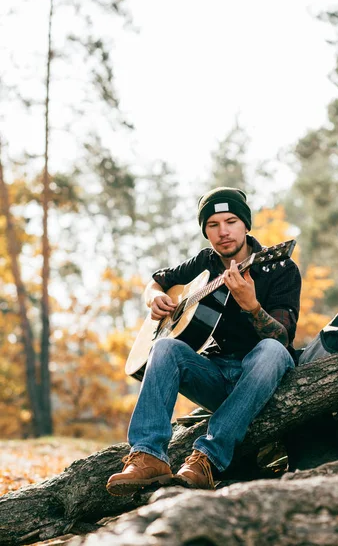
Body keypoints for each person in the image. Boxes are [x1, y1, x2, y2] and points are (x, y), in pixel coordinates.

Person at [107, 187, 301, 495]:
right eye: (213, 225)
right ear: (206, 231)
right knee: (165, 346)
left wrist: (252, 306)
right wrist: (154, 297)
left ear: (246, 225)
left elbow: (283, 338)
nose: (223, 232)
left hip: (260, 378)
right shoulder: (205, 262)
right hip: (214, 376)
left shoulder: (279, 268)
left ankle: (207, 459)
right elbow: (159, 280)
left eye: (231, 221)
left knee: (272, 350)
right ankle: (147, 455)